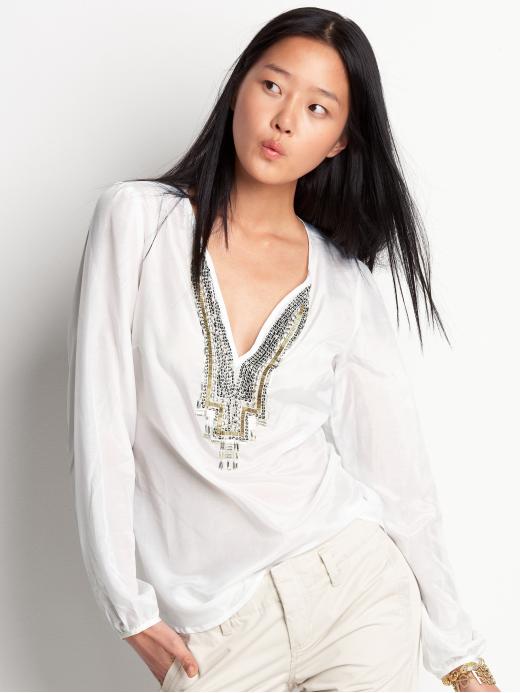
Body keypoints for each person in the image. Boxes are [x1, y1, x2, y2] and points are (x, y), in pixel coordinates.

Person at [66, 8, 499, 692]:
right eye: (272, 86)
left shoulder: (344, 283)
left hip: (354, 593)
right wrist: (128, 606)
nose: (285, 119)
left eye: (317, 107)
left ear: (338, 141)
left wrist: (460, 654)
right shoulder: (139, 222)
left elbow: (399, 474)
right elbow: (102, 423)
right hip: (217, 631)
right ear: (239, 88)